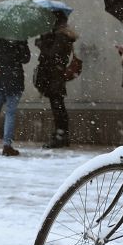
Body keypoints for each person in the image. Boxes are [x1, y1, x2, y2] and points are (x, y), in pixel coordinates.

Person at [34, 11, 78, 149]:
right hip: (55, 76)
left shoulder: (60, 37)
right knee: (58, 106)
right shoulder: (60, 36)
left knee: (58, 106)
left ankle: (61, 135)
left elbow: (52, 55)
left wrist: (42, 43)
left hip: (55, 77)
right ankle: (61, 135)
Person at [0, 36, 31, 156]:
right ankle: (7, 145)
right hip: (14, 81)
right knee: (10, 113)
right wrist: (23, 43)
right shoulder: (19, 38)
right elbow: (26, 59)